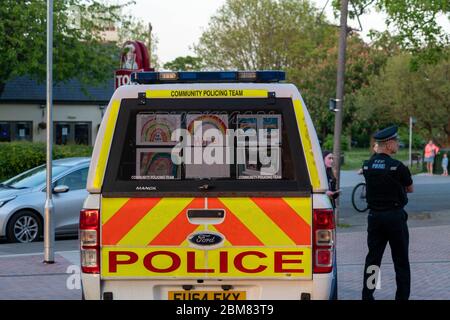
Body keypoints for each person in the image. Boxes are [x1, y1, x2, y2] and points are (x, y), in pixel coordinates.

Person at [361, 125, 414, 300]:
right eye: (396, 142)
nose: (398, 144)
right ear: (389, 144)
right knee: (400, 261)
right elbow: (410, 188)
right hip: (394, 218)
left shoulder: (367, 166)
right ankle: (401, 297)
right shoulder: (398, 167)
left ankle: (368, 296)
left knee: (373, 260)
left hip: (374, 218)